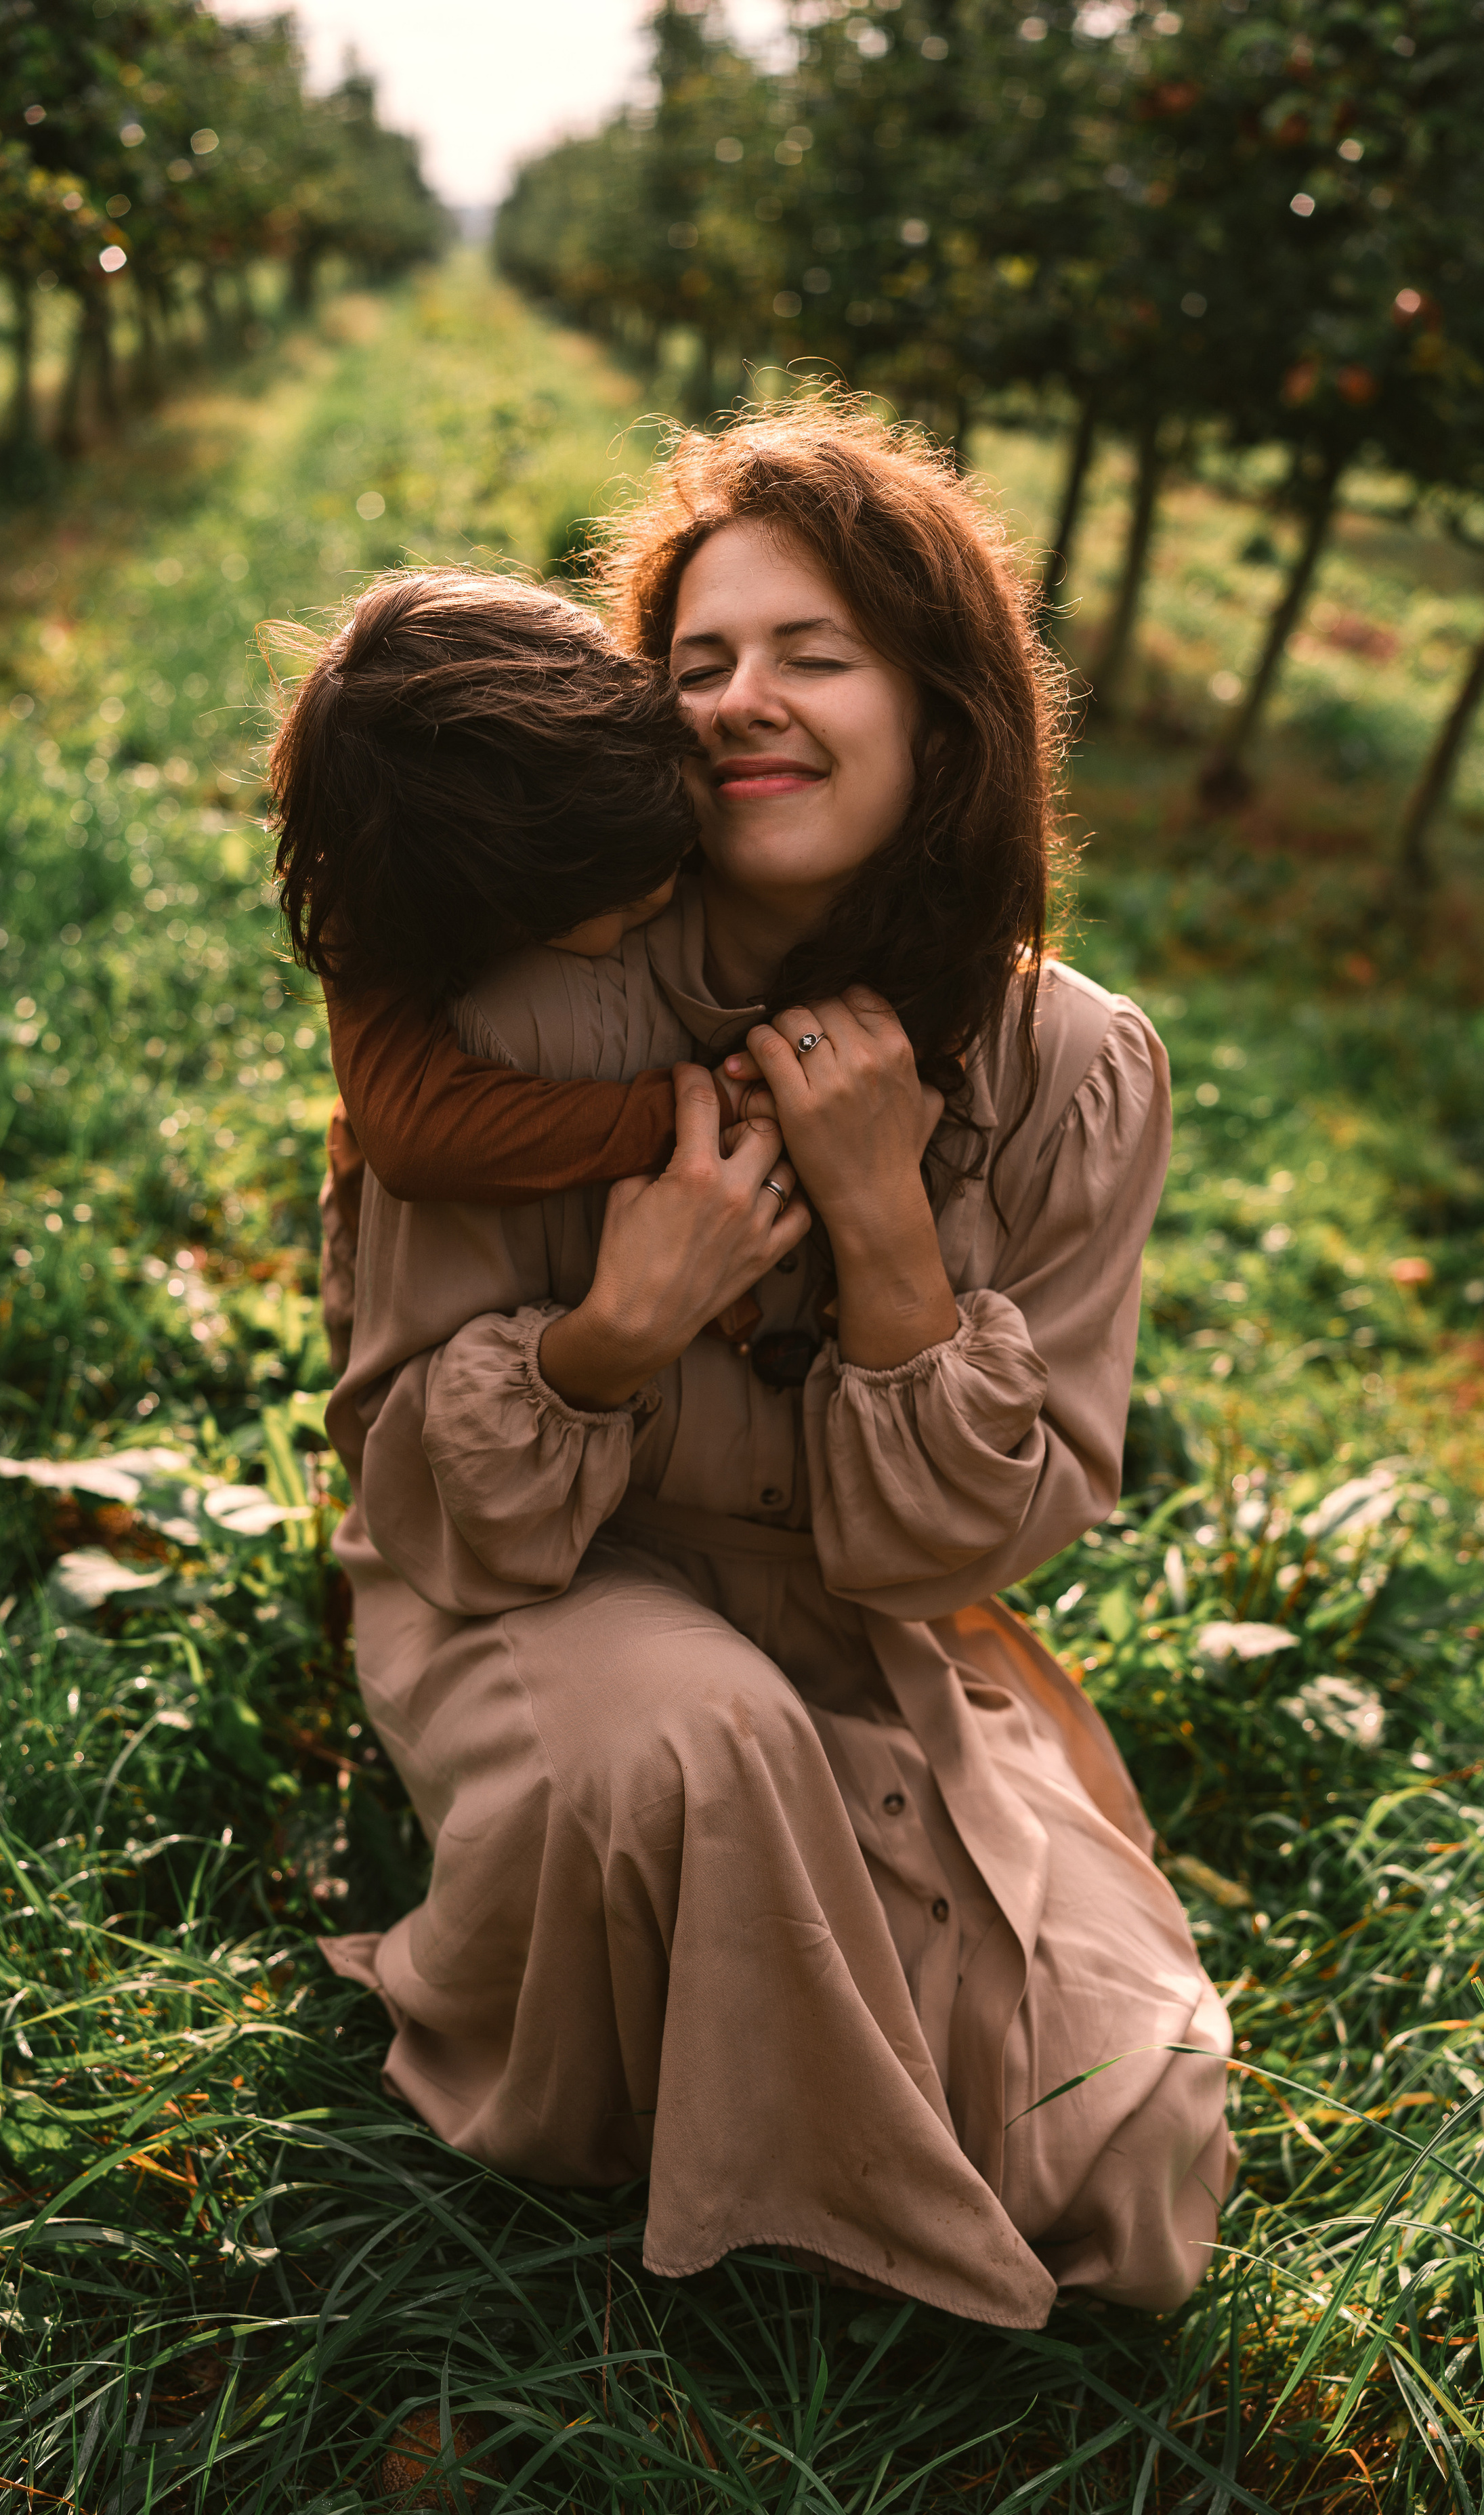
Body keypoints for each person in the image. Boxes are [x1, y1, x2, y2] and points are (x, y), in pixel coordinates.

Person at [318, 404, 1236, 2330]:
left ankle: (825, 2124)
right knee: (689, 1752)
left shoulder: (1068, 1067)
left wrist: (890, 1242)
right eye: (701, 661)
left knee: (1126, 2158)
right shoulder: (527, 1004)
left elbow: (965, 1547)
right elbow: (420, 1493)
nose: (747, 701)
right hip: (557, 1584)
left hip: (862, 1630)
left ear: (943, 706)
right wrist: (609, 1336)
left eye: (815, 655)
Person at [268, 565, 772, 1370]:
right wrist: (688, 1112)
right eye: (611, 902)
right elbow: (411, 1133)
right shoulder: (379, 880)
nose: (656, 889)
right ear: (492, 913)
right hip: (431, 1286)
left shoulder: (610, 731)